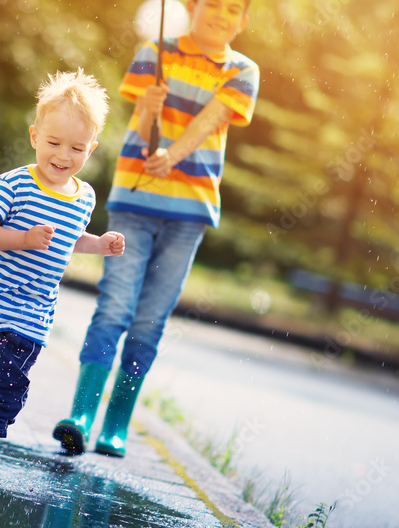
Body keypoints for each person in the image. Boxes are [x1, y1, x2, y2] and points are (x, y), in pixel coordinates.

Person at [53, 0, 259, 457]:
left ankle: (116, 424)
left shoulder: (244, 71)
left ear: (242, 21)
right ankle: (82, 415)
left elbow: (210, 122)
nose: (220, 15)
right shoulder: (155, 51)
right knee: (114, 307)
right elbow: (139, 126)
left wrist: (175, 154)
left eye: (232, 10)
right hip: (136, 200)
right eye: (212, 5)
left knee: (150, 320)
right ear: (193, 7)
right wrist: (148, 107)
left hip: (190, 210)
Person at [0, 69, 126, 488]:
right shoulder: (13, 185)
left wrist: (97, 244)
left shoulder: (84, 196)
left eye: (77, 148)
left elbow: (68, 239)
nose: (63, 155)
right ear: (34, 136)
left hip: (30, 317)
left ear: (92, 148)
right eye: (54, 143)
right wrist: (23, 238)